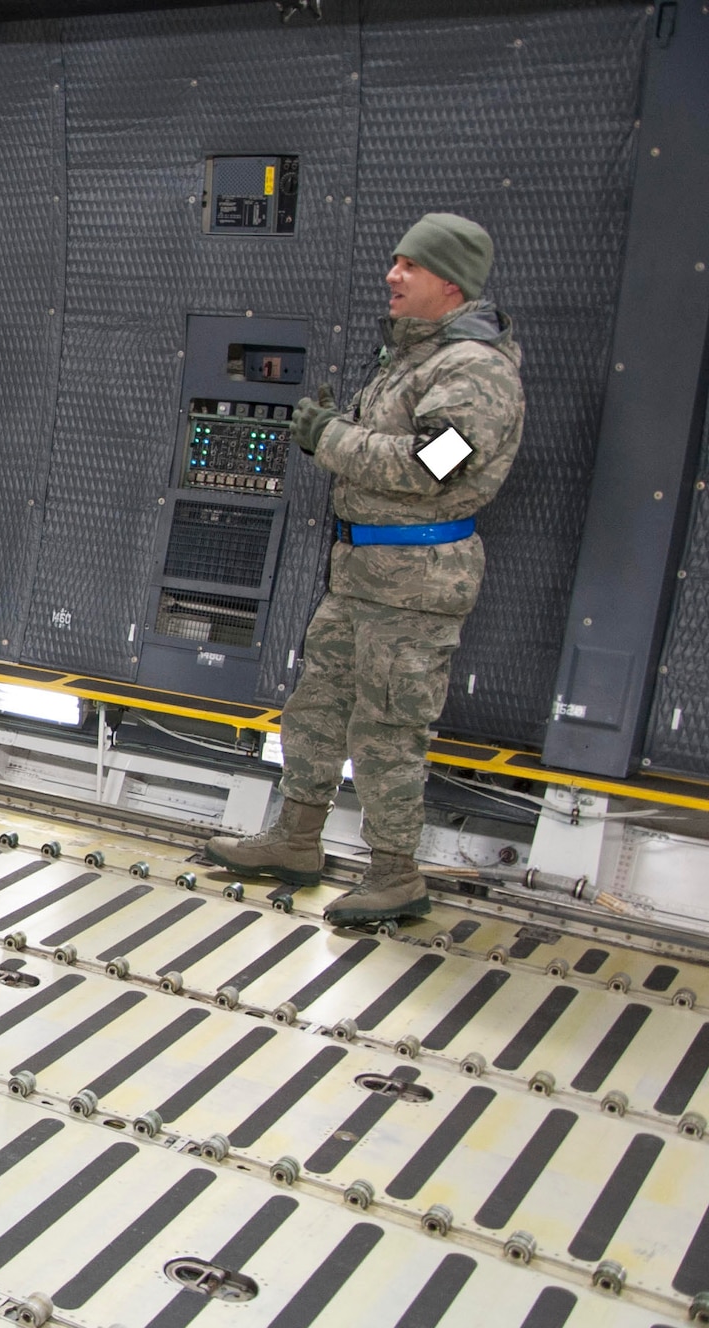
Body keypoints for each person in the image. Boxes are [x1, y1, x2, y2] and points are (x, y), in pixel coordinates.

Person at [206, 213, 525, 925]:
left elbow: (433, 466)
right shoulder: (412, 358)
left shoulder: (475, 371)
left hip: (415, 584)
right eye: (394, 261)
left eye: (410, 265)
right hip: (361, 572)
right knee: (317, 709)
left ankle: (394, 875)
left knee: (389, 728)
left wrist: (331, 438)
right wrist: (338, 433)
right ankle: (296, 840)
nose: (392, 275)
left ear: (451, 283)